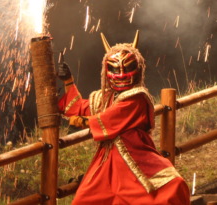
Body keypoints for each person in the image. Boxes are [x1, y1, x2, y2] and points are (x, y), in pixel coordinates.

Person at [56, 32, 190, 205]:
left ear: (137, 69)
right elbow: (77, 108)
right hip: (107, 161)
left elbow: (112, 118)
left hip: (136, 156)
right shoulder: (104, 97)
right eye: (115, 69)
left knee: (171, 187)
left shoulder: (137, 97)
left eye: (126, 68)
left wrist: (84, 122)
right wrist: (68, 81)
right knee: (87, 199)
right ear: (106, 70)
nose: (120, 74)